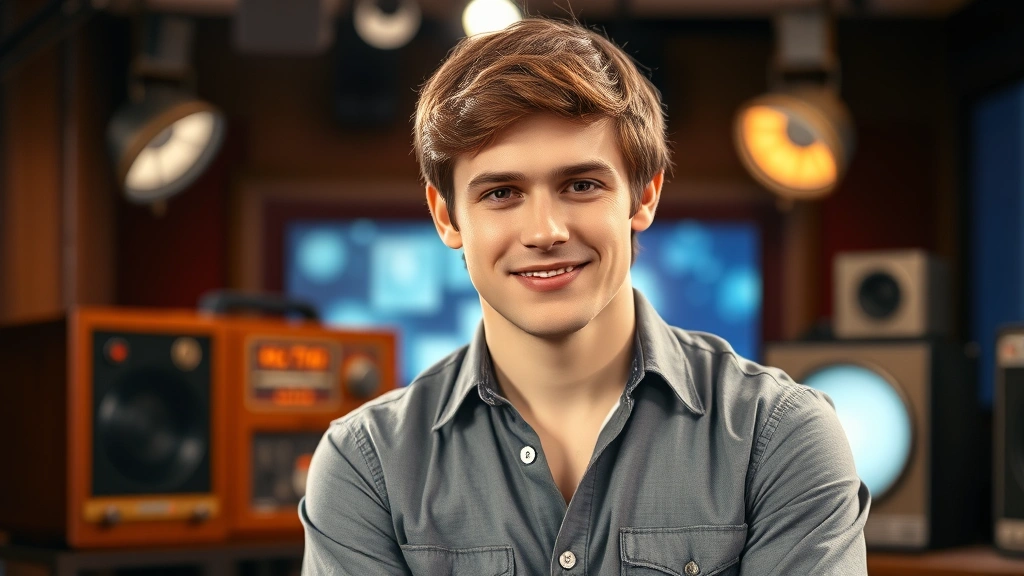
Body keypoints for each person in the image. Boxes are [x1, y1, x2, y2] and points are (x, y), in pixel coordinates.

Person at [300, 17, 870, 576]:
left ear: (644, 196)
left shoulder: (781, 438)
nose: (545, 231)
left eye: (581, 185)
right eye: (501, 192)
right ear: (446, 215)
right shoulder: (365, 466)